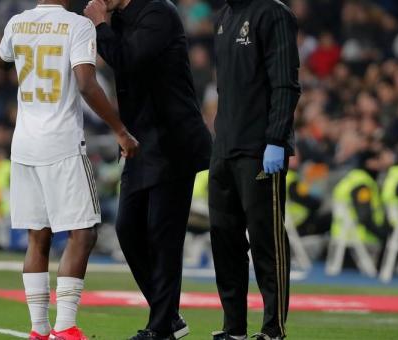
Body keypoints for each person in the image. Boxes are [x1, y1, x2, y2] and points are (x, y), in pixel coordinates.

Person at [0, 1, 139, 339]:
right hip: (60, 142)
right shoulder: (76, 25)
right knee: (84, 232)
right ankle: (65, 327)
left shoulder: (17, 23)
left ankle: (38, 329)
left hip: (24, 143)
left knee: (38, 235)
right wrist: (120, 129)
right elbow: (87, 84)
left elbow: (1, 60)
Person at [84, 0, 213, 339]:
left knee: (163, 234)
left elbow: (129, 60)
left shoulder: (159, 13)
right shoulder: (121, 19)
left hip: (174, 142)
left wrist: (99, 25)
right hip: (141, 143)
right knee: (127, 229)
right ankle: (168, 316)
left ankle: (160, 328)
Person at [209, 0, 301, 339]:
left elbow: (285, 82)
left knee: (267, 241)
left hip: (260, 149)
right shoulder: (224, 17)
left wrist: (276, 138)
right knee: (224, 239)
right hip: (225, 147)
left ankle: (273, 329)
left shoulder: (273, 13)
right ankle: (233, 328)